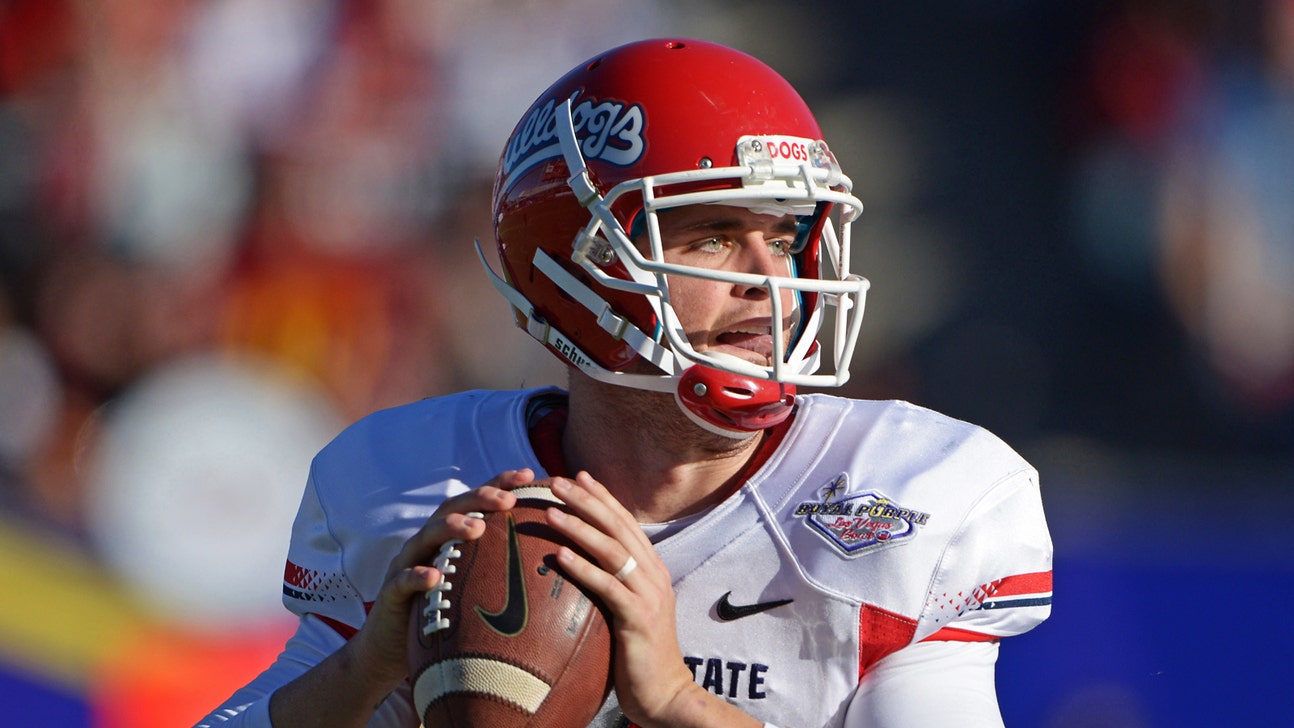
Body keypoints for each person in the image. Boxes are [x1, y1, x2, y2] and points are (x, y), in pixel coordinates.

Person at [198, 38, 1053, 728]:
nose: (772, 281)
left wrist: (680, 703)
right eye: (713, 236)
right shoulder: (417, 485)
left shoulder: (911, 495)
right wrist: (364, 670)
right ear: (579, 271)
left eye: (786, 236)